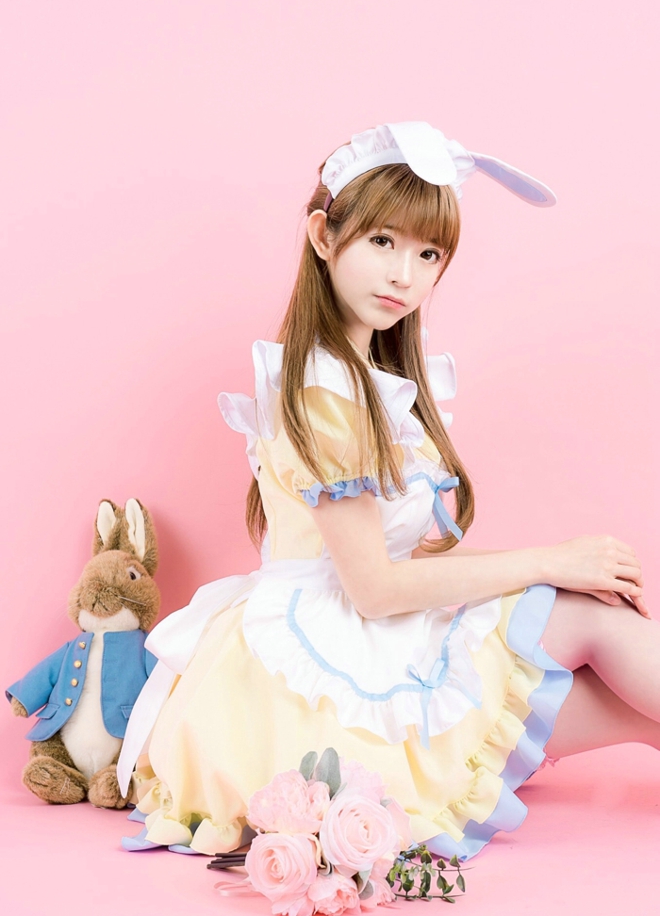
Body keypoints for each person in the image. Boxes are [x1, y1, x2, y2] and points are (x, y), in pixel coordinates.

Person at [117, 122, 657, 861]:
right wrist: (549, 561)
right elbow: (374, 588)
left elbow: (403, 562)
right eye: (382, 242)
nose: (405, 274)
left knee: (619, 674)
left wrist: (557, 566)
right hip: (317, 669)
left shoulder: (368, 380)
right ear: (323, 236)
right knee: (592, 615)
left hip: (368, 629)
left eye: (428, 254)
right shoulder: (321, 391)